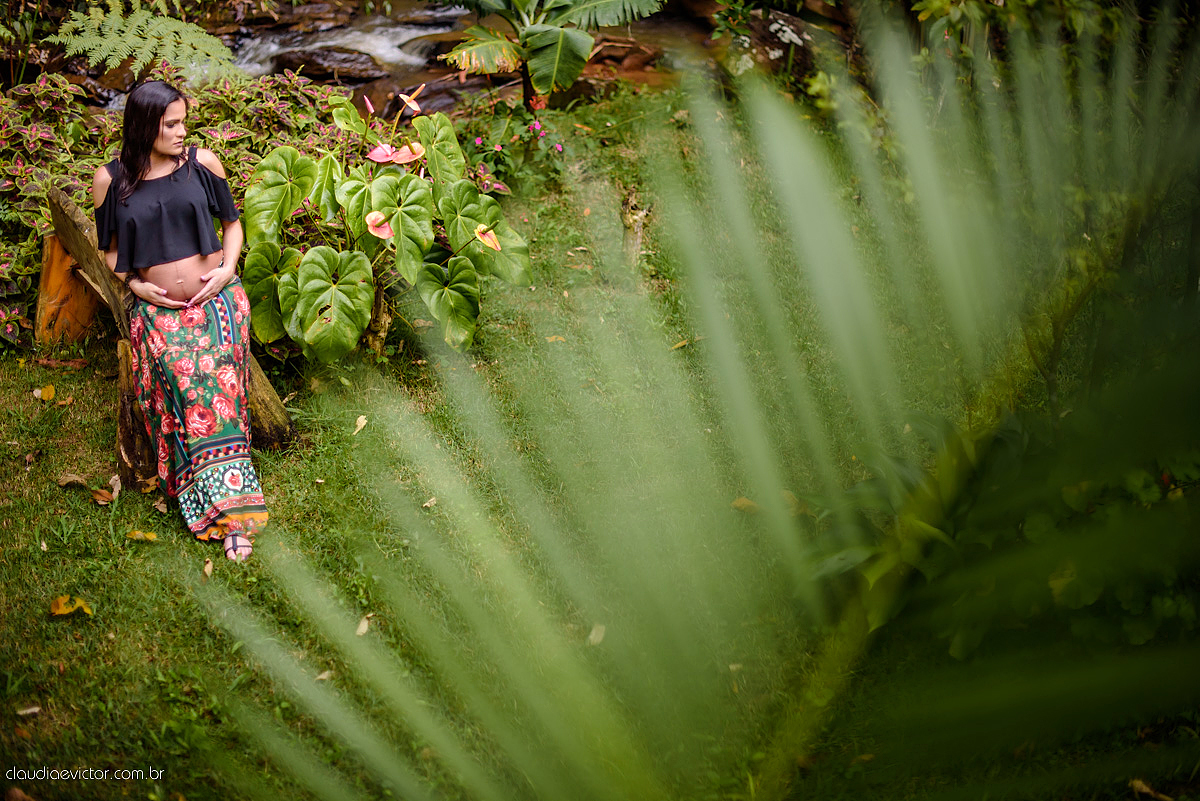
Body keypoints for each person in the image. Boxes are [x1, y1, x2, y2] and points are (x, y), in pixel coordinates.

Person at [92, 80, 267, 562]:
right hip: (157, 309)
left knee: (214, 376)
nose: (181, 131)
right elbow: (109, 253)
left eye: (182, 121)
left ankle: (232, 516)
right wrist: (133, 285)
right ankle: (208, 498)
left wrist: (228, 270)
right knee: (184, 380)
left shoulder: (202, 163)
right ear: (144, 125)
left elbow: (232, 224)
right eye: (170, 124)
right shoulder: (111, 180)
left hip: (218, 297)